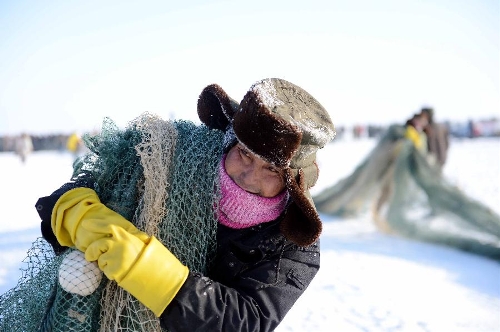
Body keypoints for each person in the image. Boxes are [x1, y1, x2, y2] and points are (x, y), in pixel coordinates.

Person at [30, 78, 336, 332]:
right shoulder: (171, 155)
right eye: (244, 153)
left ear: (293, 181)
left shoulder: (293, 244)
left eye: (271, 169)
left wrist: (146, 268)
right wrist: (74, 212)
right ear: (228, 141)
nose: (249, 174)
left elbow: (246, 321)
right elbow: (70, 194)